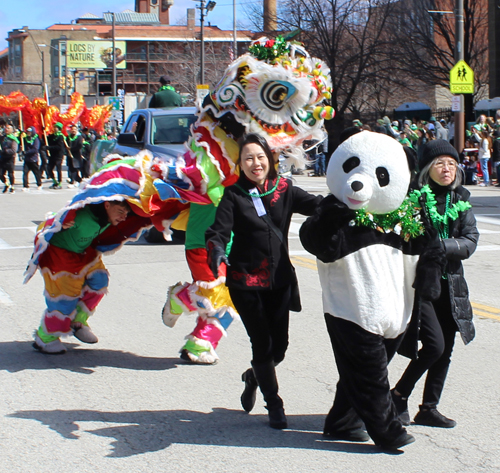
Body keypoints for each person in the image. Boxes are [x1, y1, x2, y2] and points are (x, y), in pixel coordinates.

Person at [205, 133, 322, 429]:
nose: (255, 164)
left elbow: (319, 206)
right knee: (262, 344)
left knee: (279, 347)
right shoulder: (234, 195)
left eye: (260, 157)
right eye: (248, 159)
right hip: (245, 283)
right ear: (240, 165)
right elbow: (217, 232)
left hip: (280, 281)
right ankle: (274, 404)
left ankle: (254, 376)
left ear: (270, 159)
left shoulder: (285, 189)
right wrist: (217, 250)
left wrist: (349, 204)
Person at [391, 139, 478, 428]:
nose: (447, 168)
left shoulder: (460, 199)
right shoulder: (414, 199)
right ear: (428, 168)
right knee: (433, 346)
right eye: (440, 163)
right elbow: (402, 236)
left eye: (452, 163)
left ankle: (428, 408)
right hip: (422, 285)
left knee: (446, 348)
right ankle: (399, 395)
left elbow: (470, 239)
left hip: (451, 283)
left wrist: (446, 246)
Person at [33, 200, 133, 354]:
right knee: (64, 300)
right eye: (120, 211)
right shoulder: (80, 216)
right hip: (60, 256)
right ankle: (45, 337)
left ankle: (78, 321)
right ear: (107, 205)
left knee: (99, 280)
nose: (123, 217)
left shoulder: (106, 217)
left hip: (84, 253)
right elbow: (48, 225)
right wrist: (58, 223)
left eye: (126, 213)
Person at [46, 122, 66, 189]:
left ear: (59, 129)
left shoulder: (61, 137)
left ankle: (59, 183)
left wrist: (49, 147)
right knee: (49, 168)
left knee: (58, 169)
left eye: (56, 127)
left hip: (58, 155)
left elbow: (59, 147)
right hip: (52, 155)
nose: (54, 128)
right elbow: (46, 140)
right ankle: (54, 181)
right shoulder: (52, 136)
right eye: (54, 127)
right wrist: (43, 132)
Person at [22, 127, 42, 191]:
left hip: (33, 159)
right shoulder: (26, 138)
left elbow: (35, 149)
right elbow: (22, 144)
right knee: (25, 172)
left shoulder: (36, 139)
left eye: (30, 131)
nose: (28, 133)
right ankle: (25, 185)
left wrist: (27, 152)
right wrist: (21, 135)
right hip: (27, 159)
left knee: (36, 172)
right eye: (27, 131)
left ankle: (39, 184)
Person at [0, 124, 19, 194]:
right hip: (2, 158)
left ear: (11, 130)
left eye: (8, 128)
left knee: (10, 174)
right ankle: (6, 183)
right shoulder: (3, 138)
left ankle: (12, 186)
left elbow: (14, 150)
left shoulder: (13, 139)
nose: (6, 129)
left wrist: (5, 151)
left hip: (10, 159)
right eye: (5, 128)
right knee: (0, 174)